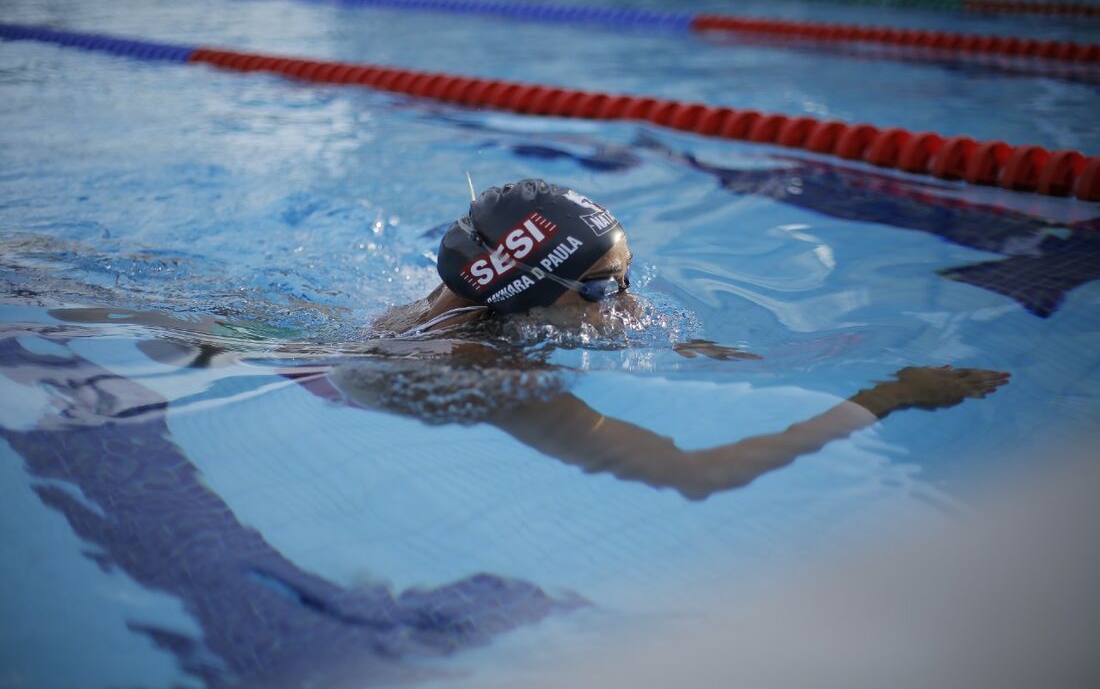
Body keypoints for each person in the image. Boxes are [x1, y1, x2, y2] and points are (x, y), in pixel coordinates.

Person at [53, 177, 1010, 501]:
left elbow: (623, 326)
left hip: (282, 327)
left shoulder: (487, 305)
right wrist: (887, 398)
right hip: (261, 364)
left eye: (631, 275)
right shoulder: (483, 373)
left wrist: (702, 354)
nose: (631, 305)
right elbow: (693, 474)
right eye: (603, 289)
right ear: (526, 300)